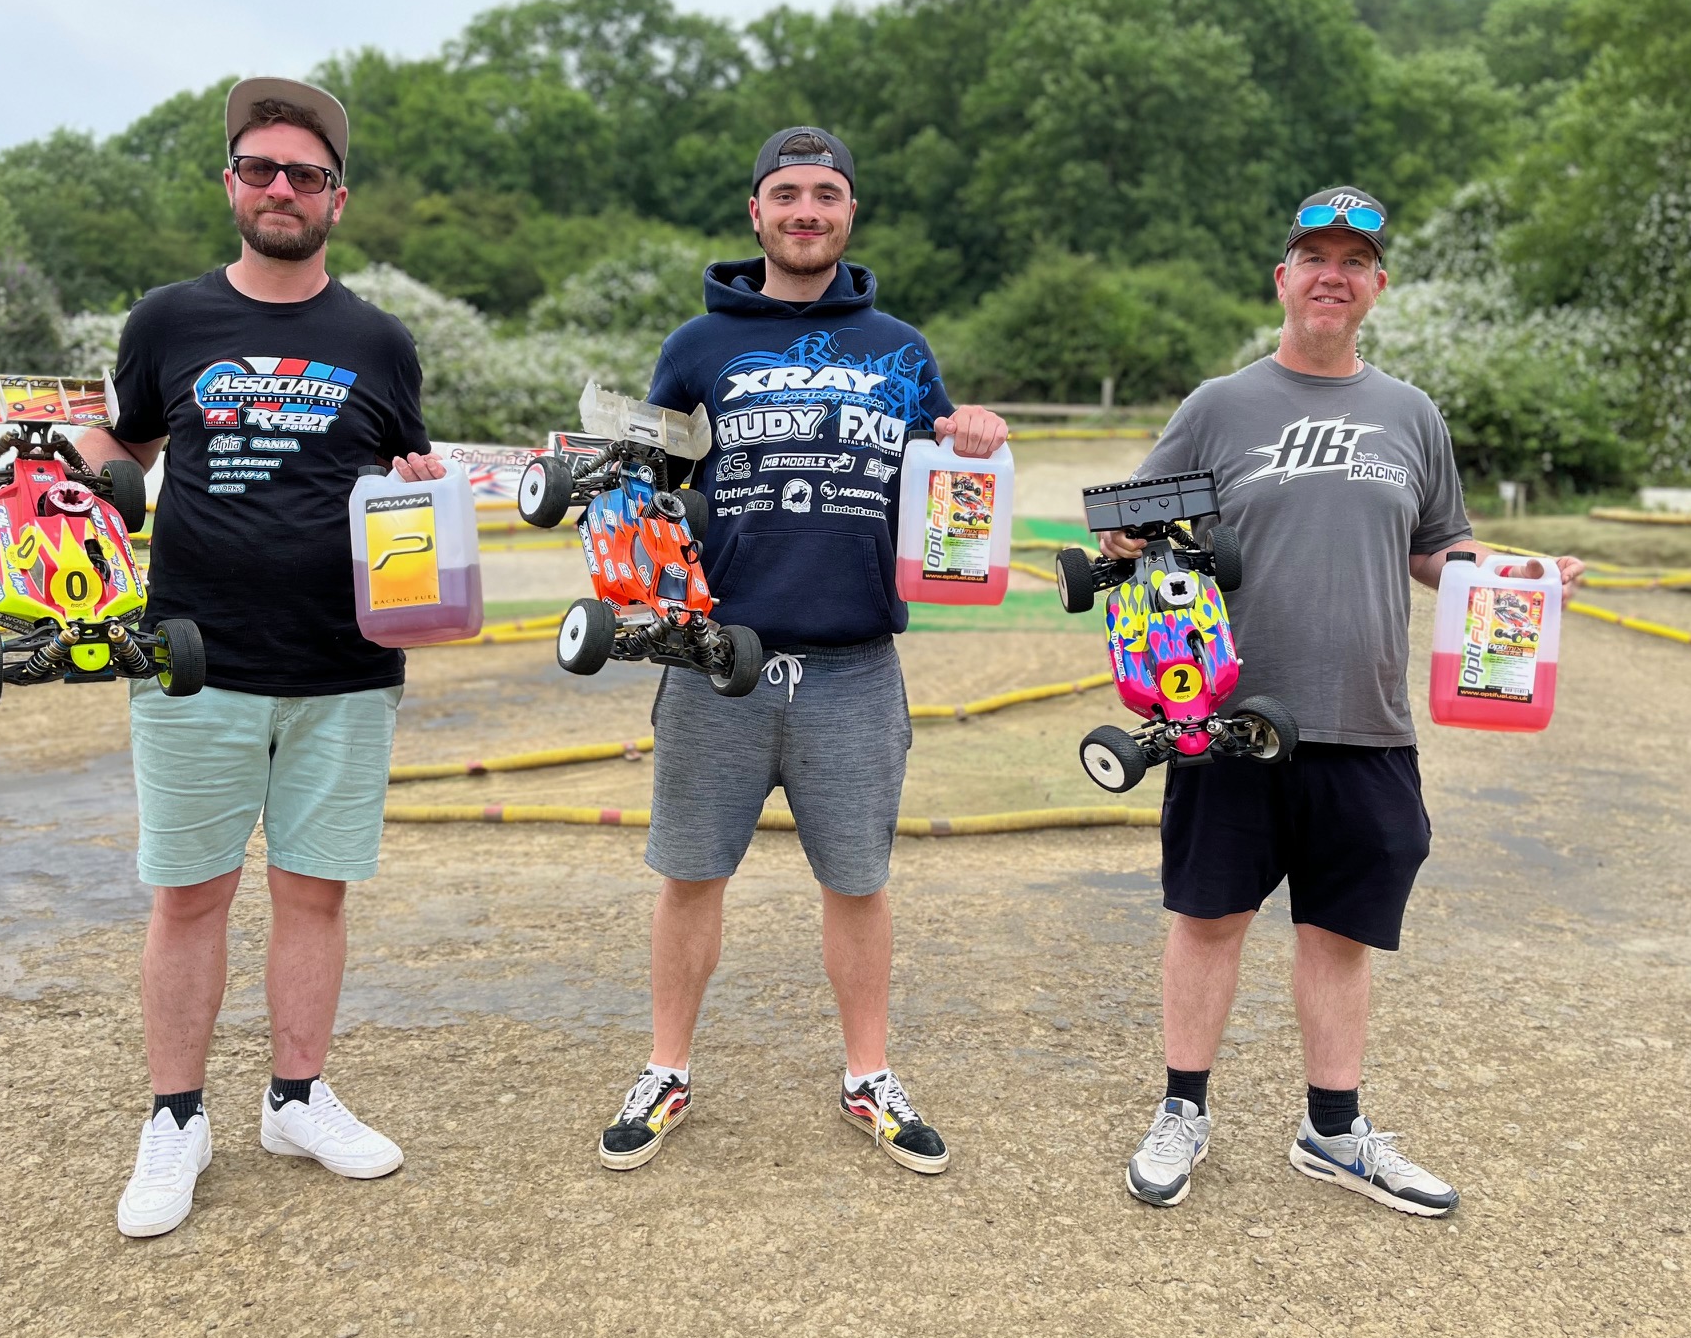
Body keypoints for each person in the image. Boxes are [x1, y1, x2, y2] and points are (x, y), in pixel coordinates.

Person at [1111, 187, 1585, 1216]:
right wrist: (1125, 535)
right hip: (1226, 720)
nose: (1334, 274)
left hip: (1367, 721)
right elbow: (1130, 527)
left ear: (1377, 285)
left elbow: (1441, 550)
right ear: (1283, 279)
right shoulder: (1219, 405)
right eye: (1315, 257)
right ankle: (1182, 1109)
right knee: (1209, 919)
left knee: (1339, 933)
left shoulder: (1412, 414)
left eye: (1354, 261)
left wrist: (1522, 579)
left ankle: (1332, 1131)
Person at [595, 126, 1008, 1175]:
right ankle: (666, 1069)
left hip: (854, 666)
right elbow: (642, 495)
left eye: (826, 193)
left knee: (858, 884)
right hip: (715, 664)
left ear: (850, 212)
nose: (807, 211)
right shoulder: (698, 346)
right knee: (690, 875)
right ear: (757, 213)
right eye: (787, 194)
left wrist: (970, 432)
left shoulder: (901, 349)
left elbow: (947, 481)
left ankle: (869, 1075)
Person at [74, 78, 444, 1238]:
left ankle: (295, 1099)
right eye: (261, 168)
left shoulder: (379, 341)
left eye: (305, 174)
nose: (282, 188)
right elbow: (124, 445)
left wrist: (429, 489)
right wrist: (64, 451)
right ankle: (176, 1120)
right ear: (232, 183)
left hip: (346, 662)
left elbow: (407, 476)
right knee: (190, 896)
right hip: (192, 655)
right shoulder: (167, 321)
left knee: (314, 893)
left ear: (338, 198)